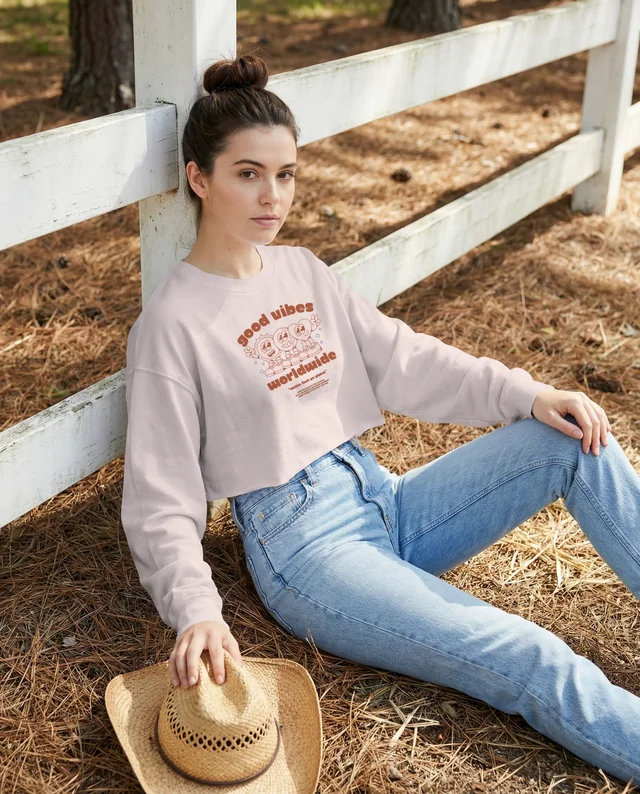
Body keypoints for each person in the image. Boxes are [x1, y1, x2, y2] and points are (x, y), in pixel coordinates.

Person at [120, 47, 640, 786]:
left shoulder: (302, 270)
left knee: (572, 442)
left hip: (383, 499)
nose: (273, 196)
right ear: (199, 179)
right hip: (310, 554)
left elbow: (407, 359)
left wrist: (527, 394)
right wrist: (195, 608)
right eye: (247, 174)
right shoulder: (172, 325)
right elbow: (159, 497)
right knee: (528, 653)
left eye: (286, 174)